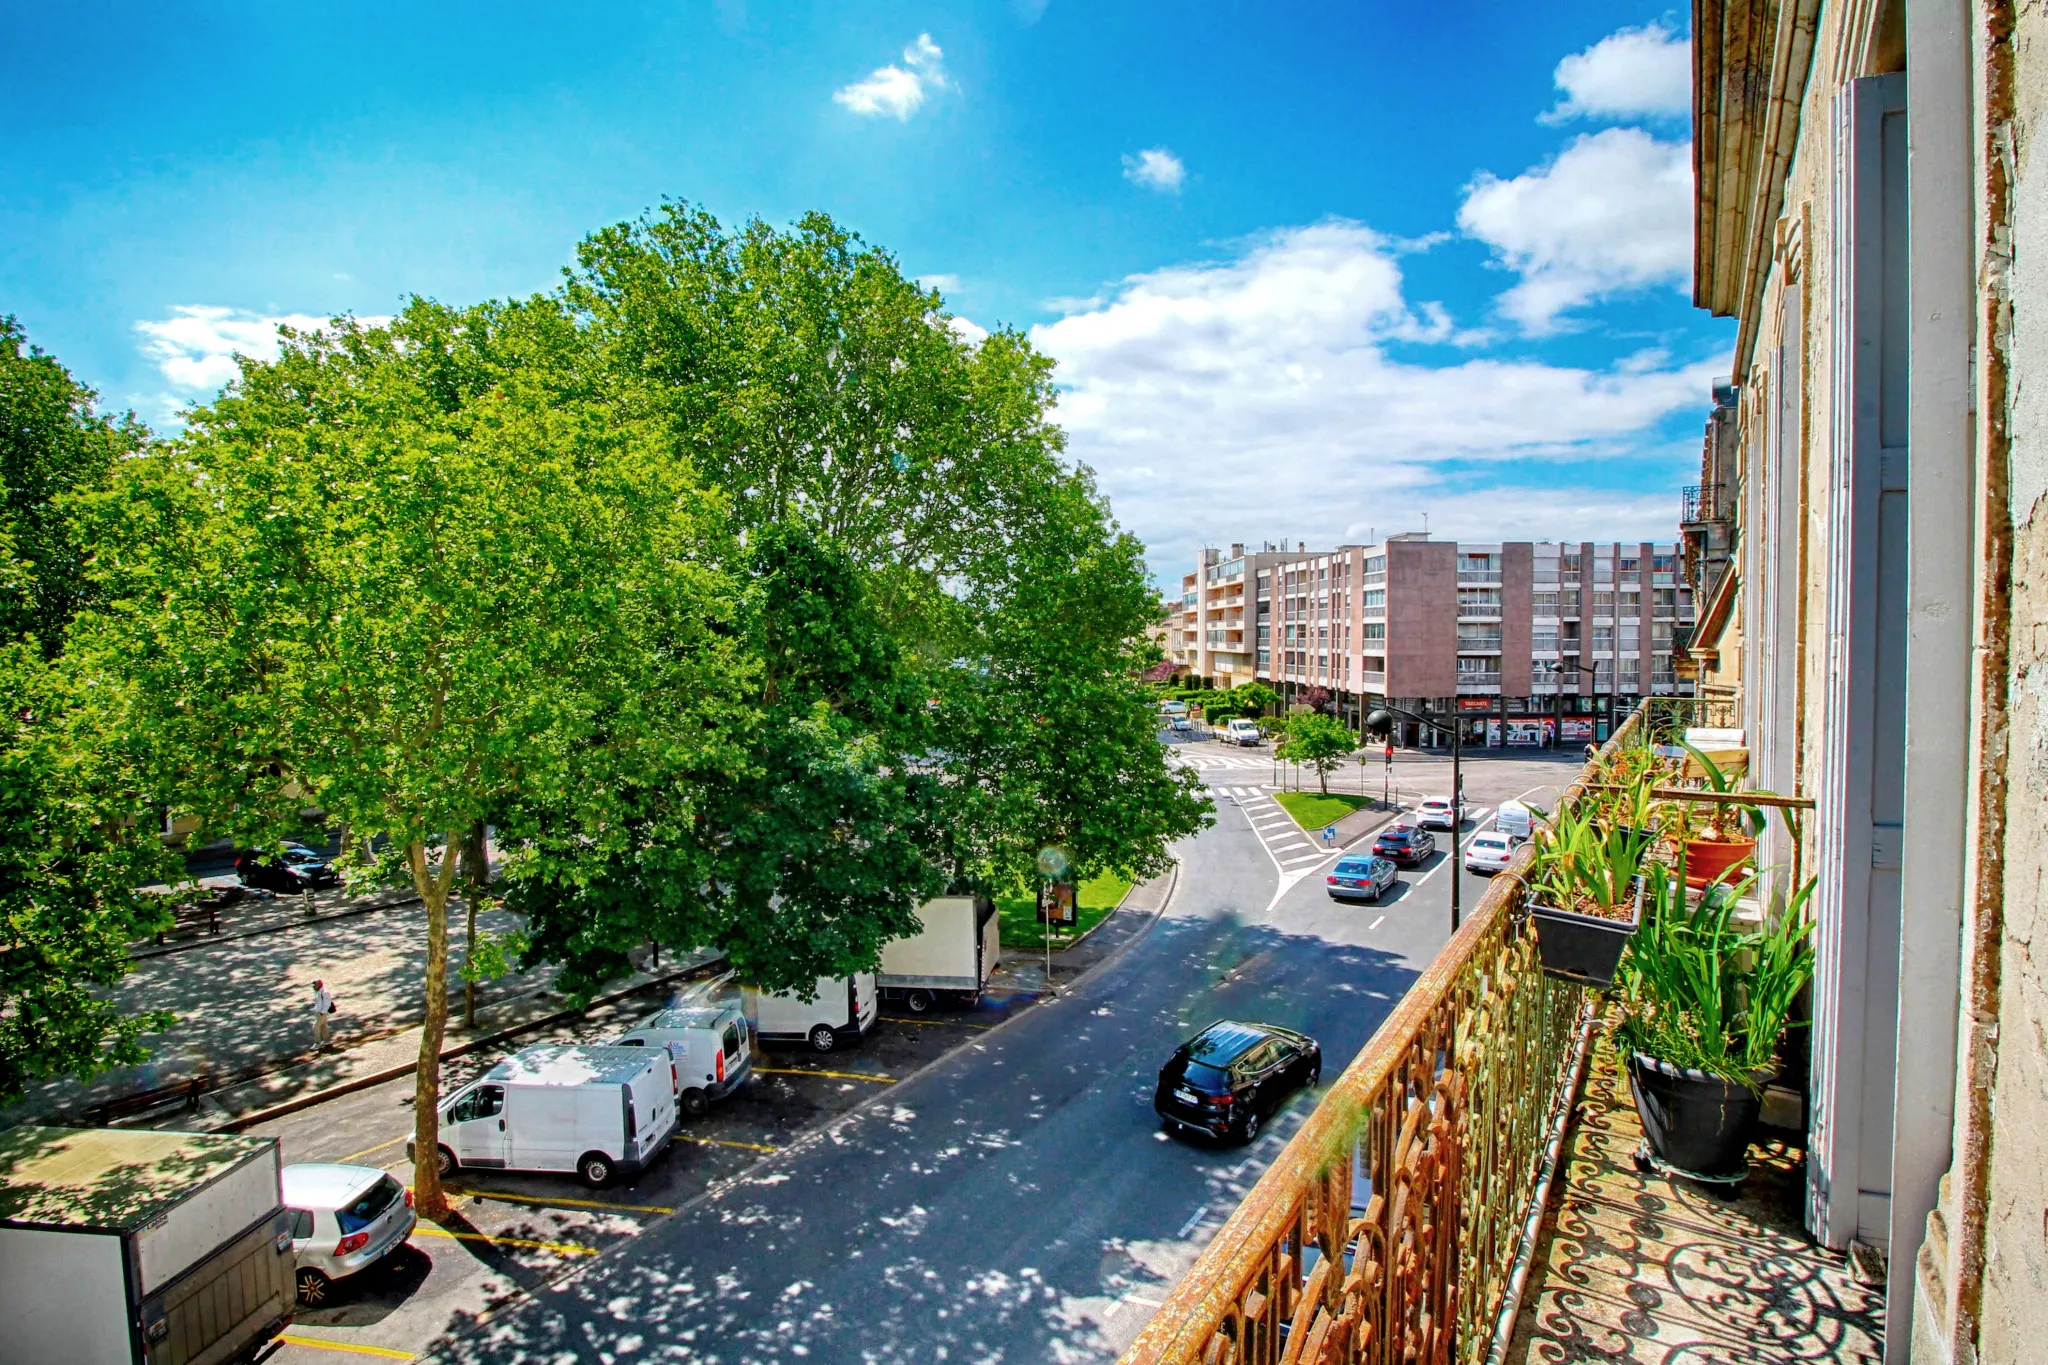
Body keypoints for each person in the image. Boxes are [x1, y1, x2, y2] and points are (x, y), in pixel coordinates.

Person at [312, 979, 335, 1052]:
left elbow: (327, 1003)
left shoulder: (325, 992)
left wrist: (322, 1012)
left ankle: (317, 1043)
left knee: (315, 1027)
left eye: (315, 984)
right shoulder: (318, 991)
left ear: (319, 984)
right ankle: (326, 1041)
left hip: (322, 1013)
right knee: (323, 1026)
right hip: (319, 1012)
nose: (313, 986)